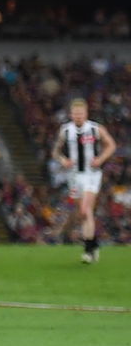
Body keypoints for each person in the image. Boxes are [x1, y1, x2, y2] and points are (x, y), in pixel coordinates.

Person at [51, 98, 117, 264]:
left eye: (81, 113)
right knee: (82, 213)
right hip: (74, 176)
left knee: (86, 209)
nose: (78, 116)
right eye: (75, 114)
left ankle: (87, 251)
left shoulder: (95, 129)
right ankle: (93, 245)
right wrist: (63, 160)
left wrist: (100, 159)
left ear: (86, 114)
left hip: (91, 174)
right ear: (71, 114)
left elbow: (111, 145)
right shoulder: (66, 130)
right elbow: (56, 151)